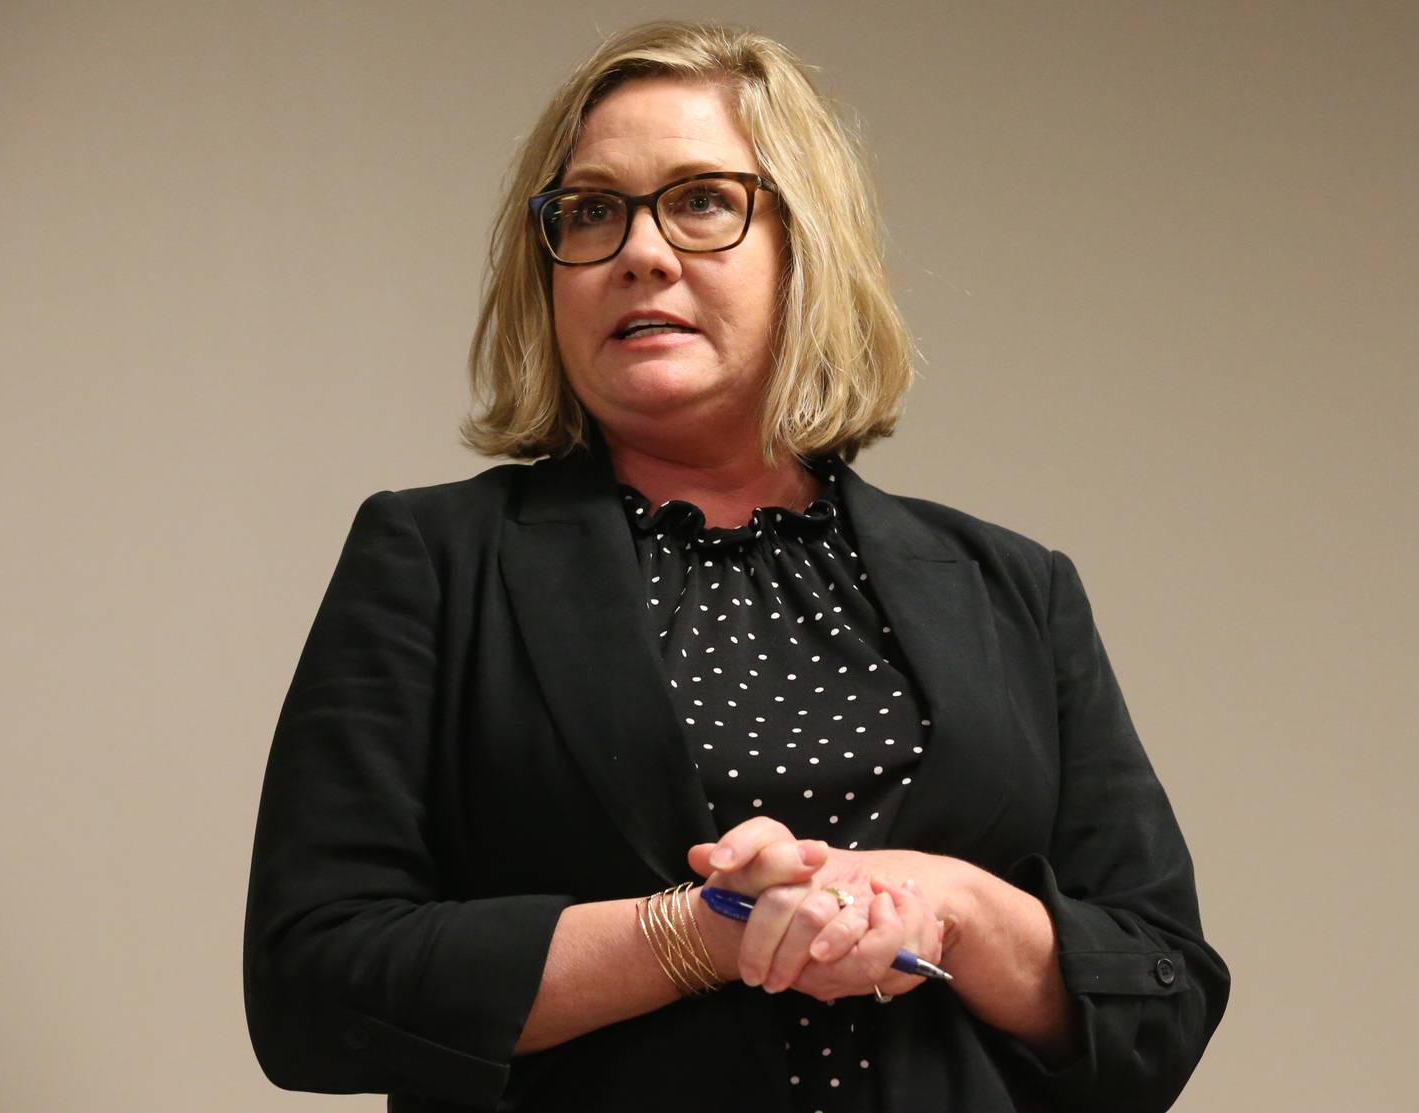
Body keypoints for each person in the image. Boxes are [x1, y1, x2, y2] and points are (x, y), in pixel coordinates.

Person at [243, 20, 1229, 1113]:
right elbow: (309, 989)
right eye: (591, 210)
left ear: (806, 245)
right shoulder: (430, 560)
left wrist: (945, 903)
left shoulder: (1015, 587)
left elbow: (1163, 1000)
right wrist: (702, 934)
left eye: (703, 200)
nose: (640, 252)